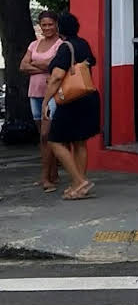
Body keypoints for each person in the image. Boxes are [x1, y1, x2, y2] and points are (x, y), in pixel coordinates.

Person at [41, 13, 100, 200]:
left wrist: (46, 101)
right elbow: (91, 61)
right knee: (79, 141)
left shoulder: (65, 48)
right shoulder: (83, 44)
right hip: (88, 97)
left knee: (55, 140)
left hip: (71, 100)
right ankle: (78, 183)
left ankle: (80, 181)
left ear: (60, 29)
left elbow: (57, 76)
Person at [19, 11, 62, 192]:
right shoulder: (34, 44)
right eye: (44, 25)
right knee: (43, 137)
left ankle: (45, 178)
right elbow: (22, 66)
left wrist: (34, 65)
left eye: (50, 24)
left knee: (46, 136)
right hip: (34, 93)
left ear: (56, 24)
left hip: (51, 94)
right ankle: (52, 173)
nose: (47, 28)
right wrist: (42, 67)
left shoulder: (61, 45)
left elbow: (52, 66)